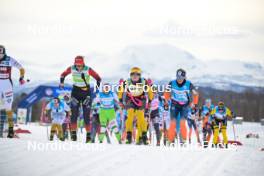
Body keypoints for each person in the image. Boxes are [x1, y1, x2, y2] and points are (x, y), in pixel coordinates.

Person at [60, 56, 101, 143]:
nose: (78, 67)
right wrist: (62, 82)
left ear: (83, 64)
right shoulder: (71, 68)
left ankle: (88, 136)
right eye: (77, 65)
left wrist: (97, 88)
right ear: (75, 64)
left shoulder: (88, 69)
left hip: (86, 93)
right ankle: (74, 135)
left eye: (80, 65)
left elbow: (98, 78)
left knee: (86, 116)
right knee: (74, 115)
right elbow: (63, 74)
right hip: (75, 92)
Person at [118, 67, 153, 144]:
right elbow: (120, 90)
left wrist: (150, 101)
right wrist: (120, 100)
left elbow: (150, 92)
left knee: (141, 117)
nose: (135, 76)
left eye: (137, 74)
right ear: (130, 75)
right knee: (130, 115)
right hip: (130, 99)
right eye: (132, 74)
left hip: (141, 100)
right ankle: (129, 136)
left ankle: (144, 136)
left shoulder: (144, 82)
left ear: (140, 75)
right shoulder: (127, 82)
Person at [164, 68, 198, 145]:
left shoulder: (189, 84)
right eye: (178, 77)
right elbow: (166, 92)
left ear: (184, 77)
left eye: (181, 78)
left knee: (182, 122)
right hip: (174, 104)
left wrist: (194, 104)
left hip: (185, 105)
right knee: (173, 122)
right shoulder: (171, 83)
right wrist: (166, 101)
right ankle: (171, 139)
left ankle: (183, 139)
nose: (179, 79)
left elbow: (195, 94)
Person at [0, 45, 25, 138]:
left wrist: (21, 77)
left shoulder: (9, 59)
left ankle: (10, 130)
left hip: (7, 85)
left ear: (4, 53)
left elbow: (21, 68)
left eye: (1, 54)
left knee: (8, 108)